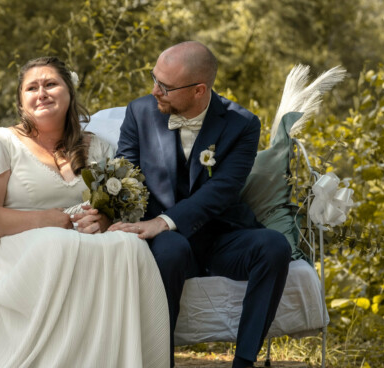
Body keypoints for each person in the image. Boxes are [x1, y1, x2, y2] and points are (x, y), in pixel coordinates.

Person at [0, 56, 169, 367]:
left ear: (69, 92)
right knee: (55, 243)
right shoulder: (2, 143)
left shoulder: (96, 147)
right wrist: (45, 220)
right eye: (31, 88)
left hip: (84, 239)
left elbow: (113, 205)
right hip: (16, 244)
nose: (42, 92)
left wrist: (103, 218)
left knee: (130, 245)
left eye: (51, 84)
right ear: (22, 100)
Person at [108, 41, 292, 368]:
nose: (154, 91)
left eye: (164, 87)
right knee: (172, 250)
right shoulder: (139, 112)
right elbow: (124, 174)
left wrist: (164, 220)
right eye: (154, 79)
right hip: (168, 242)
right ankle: (159, 361)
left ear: (199, 90)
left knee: (274, 246)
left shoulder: (242, 123)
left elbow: (222, 190)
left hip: (222, 236)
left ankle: (244, 361)